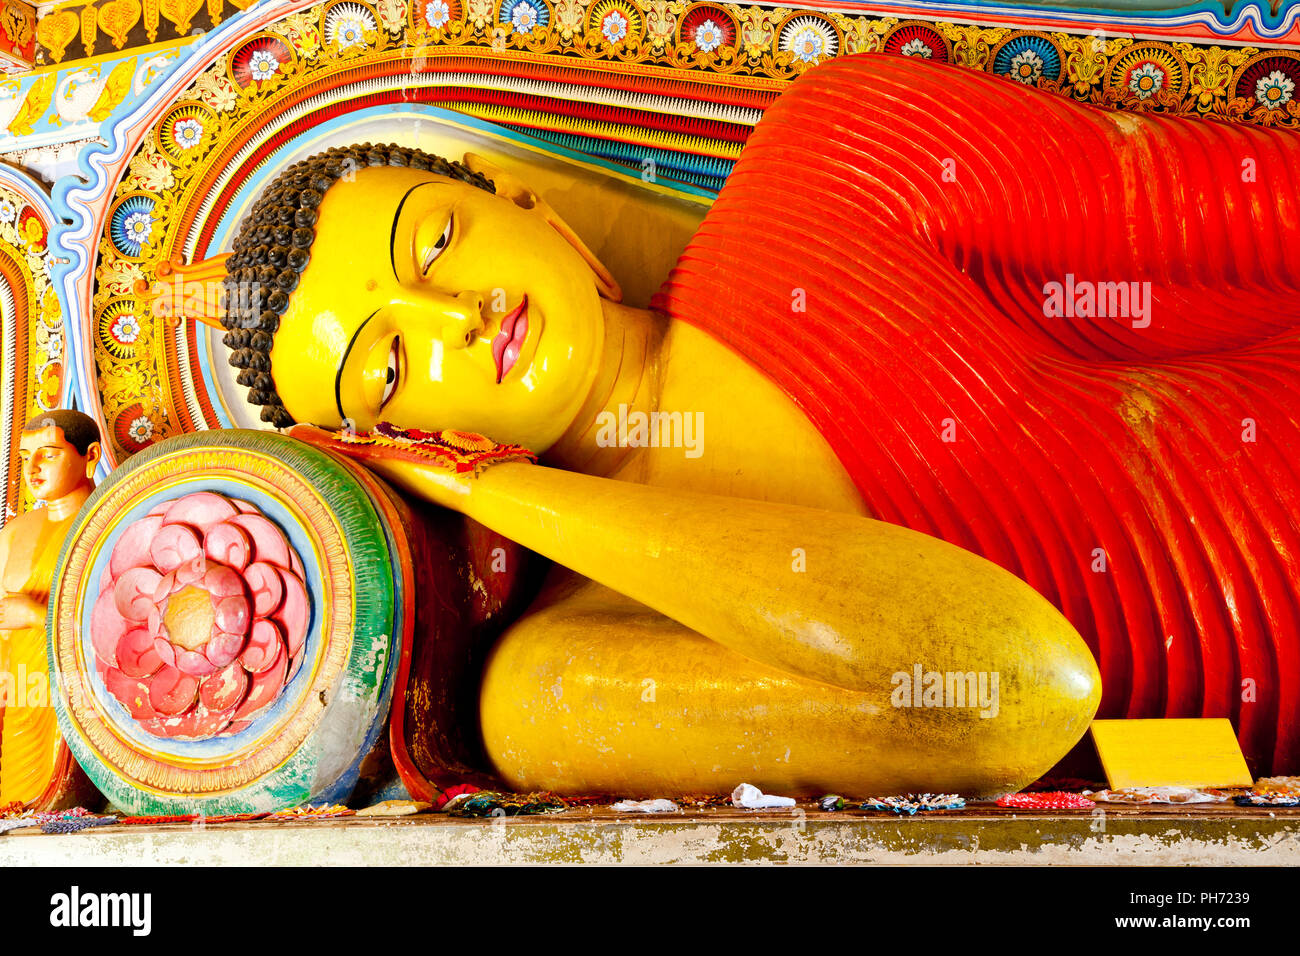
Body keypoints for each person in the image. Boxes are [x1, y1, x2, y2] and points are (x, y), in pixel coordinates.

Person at [220, 56, 1274, 797]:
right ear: (394, 450)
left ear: (528, 208)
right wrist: (488, 487)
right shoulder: (552, 678)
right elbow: (1016, 692)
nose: (460, 315)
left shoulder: (834, 153)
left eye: (438, 241)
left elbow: (1238, 209)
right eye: (392, 364)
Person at [0, 409, 101, 806]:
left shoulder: (107, 523)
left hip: (73, 698)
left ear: (89, 456)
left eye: (50, 454)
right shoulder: (13, 533)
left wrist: (36, 617)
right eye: (26, 457)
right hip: (17, 692)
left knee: (48, 801)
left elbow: (118, 632)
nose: (34, 468)